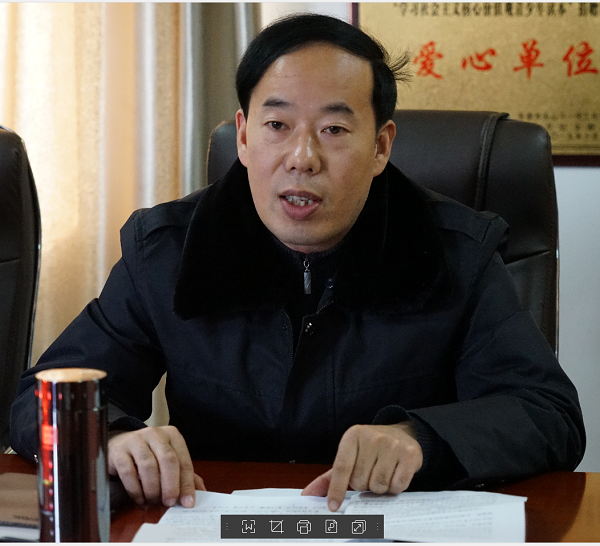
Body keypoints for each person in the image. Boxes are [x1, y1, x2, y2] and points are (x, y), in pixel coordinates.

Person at [11, 13, 584, 513]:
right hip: (221, 527)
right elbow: (39, 399)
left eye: (334, 129)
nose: (302, 158)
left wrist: (420, 438)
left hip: (386, 529)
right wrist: (111, 439)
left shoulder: (457, 253)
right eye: (277, 126)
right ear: (243, 136)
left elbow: (547, 413)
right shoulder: (166, 251)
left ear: (381, 145)